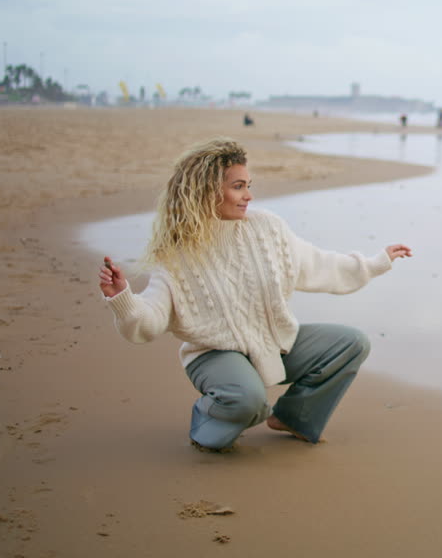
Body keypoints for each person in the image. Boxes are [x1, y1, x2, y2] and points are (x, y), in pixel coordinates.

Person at [97, 137, 412, 452]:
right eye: (238, 186)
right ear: (206, 191)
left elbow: (317, 264)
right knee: (249, 403)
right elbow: (148, 322)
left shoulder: (267, 228)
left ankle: (295, 417)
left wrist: (374, 263)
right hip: (215, 354)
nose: (248, 196)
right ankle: (207, 424)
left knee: (352, 342)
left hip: (271, 344)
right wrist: (123, 298)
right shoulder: (177, 255)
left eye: (248, 185)